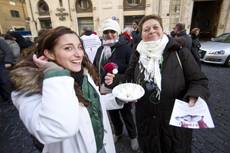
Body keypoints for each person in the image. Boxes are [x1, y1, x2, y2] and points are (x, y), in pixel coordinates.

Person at [10, 26, 125, 153]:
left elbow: (89, 104)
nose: (78, 54)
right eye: (68, 48)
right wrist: (55, 73)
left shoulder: (84, 73)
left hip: (102, 146)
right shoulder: (29, 88)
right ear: (49, 53)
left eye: (79, 47)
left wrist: (116, 99)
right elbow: (56, 129)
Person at [104, 15, 209, 153]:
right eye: (146, 29)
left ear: (162, 30)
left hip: (174, 123)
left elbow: (199, 80)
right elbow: (129, 78)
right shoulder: (137, 54)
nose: (151, 31)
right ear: (141, 34)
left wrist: (194, 95)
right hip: (146, 122)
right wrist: (115, 80)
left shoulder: (179, 51)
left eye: (155, 27)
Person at [93, 18, 139, 151]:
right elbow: (95, 65)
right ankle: (118, 132)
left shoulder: (125, 48)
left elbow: (131, 69)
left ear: (117, 33)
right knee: (112, 113)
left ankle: (133, 136)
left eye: (112, 31)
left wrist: (117, 73)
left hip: (122, 88)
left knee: (126, 114)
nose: (109, 34)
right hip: (105, 88)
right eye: (106, 32)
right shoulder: (100, 49)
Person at [0, 37, 14, 104]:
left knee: (5, 81)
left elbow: (8, 51)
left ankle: (11, 99)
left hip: (2, 63)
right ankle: (5, 98)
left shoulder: (1, 41)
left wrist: (8, 61)